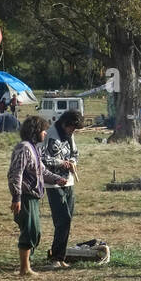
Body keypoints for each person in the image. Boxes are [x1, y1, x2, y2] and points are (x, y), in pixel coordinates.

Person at [7, 115, 67, 277]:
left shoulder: (34, 148)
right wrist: (16, 197)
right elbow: (15, 173)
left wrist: (57, 179)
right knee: (30, 231)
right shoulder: (23, 148)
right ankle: (24, 269)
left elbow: (42, 171)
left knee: (35, 232)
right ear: (35, 131)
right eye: (43, 130)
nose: (46, 133)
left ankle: (26, 264)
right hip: (25, 196)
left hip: (33, 197)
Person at [42, 109, 83, 268]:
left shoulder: (70, 134)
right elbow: (45, 159)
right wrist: (62, 163)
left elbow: (75, 153)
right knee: (62, 219)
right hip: (54, 182)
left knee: (67, 220)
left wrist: (72, 161)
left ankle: (60, 257)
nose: (73, 131)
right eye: (72, 127)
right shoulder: (51, 134)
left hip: (69, 182)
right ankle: (56, 257)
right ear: (66, 123)